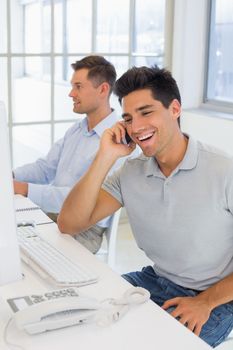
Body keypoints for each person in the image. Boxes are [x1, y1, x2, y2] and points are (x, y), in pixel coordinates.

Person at [57, 65, 233, 348]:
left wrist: (205, 302)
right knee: (82, 316)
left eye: (146, 112)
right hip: (156, 280)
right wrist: (105, 155)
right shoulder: (131, 172)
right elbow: (69, 223)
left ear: (175, 109)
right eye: (128, 118)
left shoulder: (223, 169)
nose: (136, 127)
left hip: (214, 297)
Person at [13, 55, 127, 254]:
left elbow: (81, 203)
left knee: (18, 252)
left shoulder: (118, 143)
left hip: (84, 228)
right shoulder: (76, 130)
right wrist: (11, 177)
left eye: (78, 87)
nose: (71, 94)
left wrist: (24, 189)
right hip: (53, 214)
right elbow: (45, 168)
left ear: (102, 90)